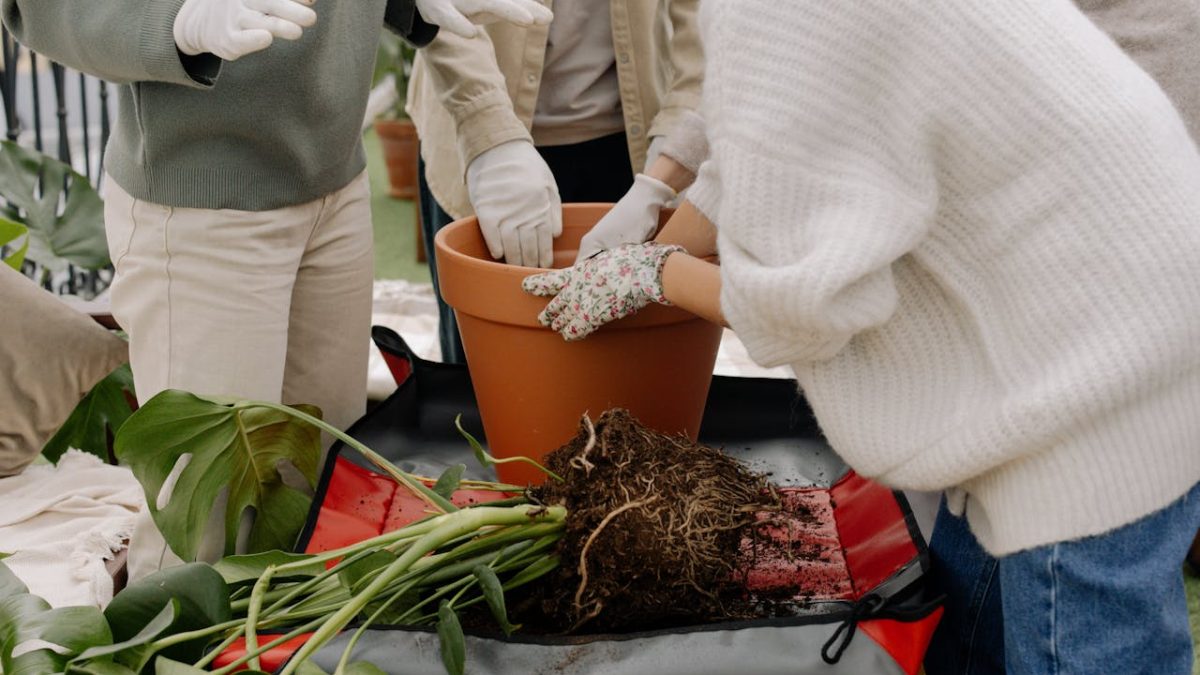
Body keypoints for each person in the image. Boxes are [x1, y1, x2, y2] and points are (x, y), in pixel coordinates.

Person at [522, 0, 1200, 672]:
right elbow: (773, 140)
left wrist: (657, 273)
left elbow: (802, 307)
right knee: (971, 629)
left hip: (1098, 348)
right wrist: (655, 217)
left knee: (1077, 636)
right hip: (1086, 287)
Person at [1, 0, 551, 580]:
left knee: (318, 481)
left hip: (334, 180)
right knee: (204, 522)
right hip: (202, 202)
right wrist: (176, 21)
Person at [406, 0, 702, 363]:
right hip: (478, 149)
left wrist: (679, 132)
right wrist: (489, 129)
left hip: (630, 144)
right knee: (486, 364)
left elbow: (706, 17)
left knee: (625, 361)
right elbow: (441, 12)